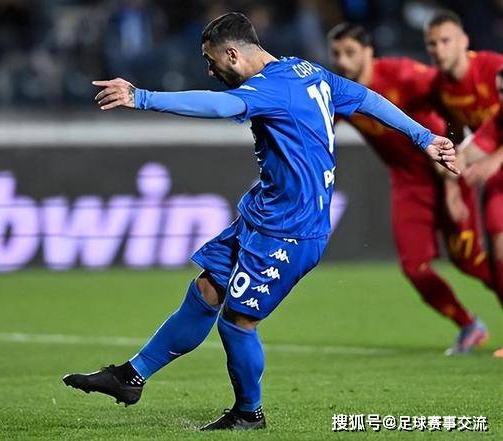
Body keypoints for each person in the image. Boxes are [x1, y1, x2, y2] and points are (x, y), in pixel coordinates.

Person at [63, 12, 457, 430]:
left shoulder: (270, 88)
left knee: (238, 323)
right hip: (262, 215)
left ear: (233, 54)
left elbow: (220, 105)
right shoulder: (306, 72)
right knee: (206, 291)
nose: (209, 70)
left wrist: (142, 97)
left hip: (291, 230)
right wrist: (423, 137)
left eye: (211, 60)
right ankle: (131, 376)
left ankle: (249, 413)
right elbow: (366, 98)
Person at [328, 23, 493, 355]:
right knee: (413, 267)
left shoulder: (404, 75)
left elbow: (450, 105)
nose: (343, 61)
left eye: (350, 52)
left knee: (469, 260)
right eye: (336, 54)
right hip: (407, 182)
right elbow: (316, 124)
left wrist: (453, 174)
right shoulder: (342, 92)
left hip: (444, 171)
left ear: (369, 51)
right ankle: (469, 325)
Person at [424, 10, 503, 357]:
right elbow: (464, 145)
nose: (439, 50)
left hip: (496, 165)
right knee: (496, 253)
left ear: (464, 41)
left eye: (446, 41)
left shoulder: (492, 68)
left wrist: (495, 160)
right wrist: (452, 184)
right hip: (495, 174)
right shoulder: (442, 88)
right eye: (432, 43)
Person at [458, 68, 503, 358]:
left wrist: (496, 159)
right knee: (499, 255)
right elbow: (474, 149)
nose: (502, 97)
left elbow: (490, 156)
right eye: (500, 92)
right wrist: (451, 159)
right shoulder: (499, 118)